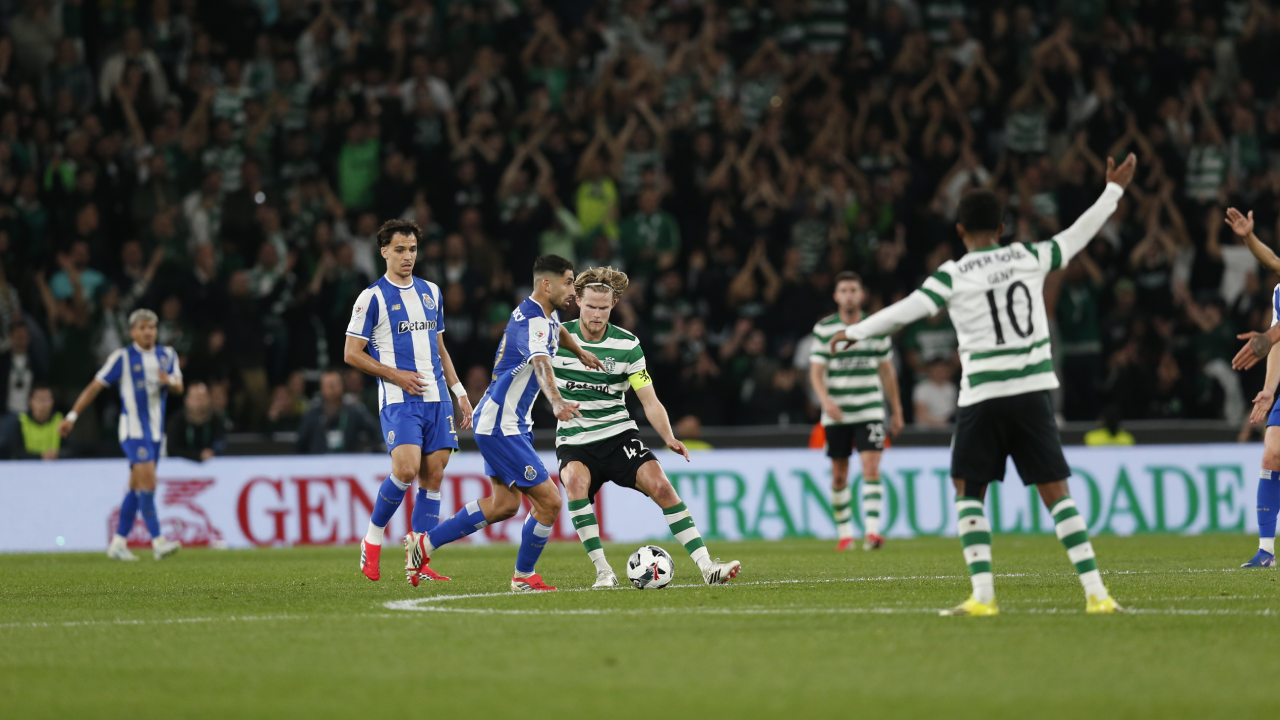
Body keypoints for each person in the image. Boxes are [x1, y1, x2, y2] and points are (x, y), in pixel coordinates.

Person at [830, 153, 1138, 617]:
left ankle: (983, 597)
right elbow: (1075, 238)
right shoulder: (1029, 255)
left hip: (982, 395)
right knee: (1056, 493)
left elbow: (907, 310)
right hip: (1033, 390)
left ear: (959, 231)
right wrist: (1113, 190)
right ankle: (1097, 593)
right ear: (1003, 226)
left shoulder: (953, 274)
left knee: (968, 491)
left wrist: (854, 332)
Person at [405, 255, 604, 592]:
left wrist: (580, 351)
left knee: (504, 505)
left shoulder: (540, 314)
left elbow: (557, 334)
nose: (574, 290)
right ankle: (523, 576)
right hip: (501, 425)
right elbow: (541, 361)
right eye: (569, 282)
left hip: (506, 422)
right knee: (551, 502)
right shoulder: (534, 324)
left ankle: (422, 545)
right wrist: (556, 401)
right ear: (547, 284)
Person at [557, 267, 741, 587]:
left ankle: (708, 566)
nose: (597, 314)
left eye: (603, 307)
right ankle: (603, 572)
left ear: (613, 305)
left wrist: (668, 435)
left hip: (617, 435)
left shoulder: (628, 344)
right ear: (578, 302)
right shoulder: (556, 337)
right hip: (575, 438)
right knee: (574, 481)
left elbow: (648, 399)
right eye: (590, 306)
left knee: (662, 487)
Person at [345, 219, 474, 585]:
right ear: (383, 251)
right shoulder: (371, 297)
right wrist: (395, 374)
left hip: (437, 399)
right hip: (400, 399)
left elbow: (439, 348)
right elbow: (351, 353)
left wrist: (460, 392)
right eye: (399, 249)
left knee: (433, 474)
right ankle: (371, 540)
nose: (407, 257)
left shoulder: (431, 291)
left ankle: (418, 560)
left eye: (413, 249)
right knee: (405, 468)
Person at [59, 308, 184, 562]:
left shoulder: (167, 355)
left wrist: (168, 381)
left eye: (152, 327)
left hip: (156, 433)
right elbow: (95, 386)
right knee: (148, 481)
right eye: (143, 328)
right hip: (133, 431)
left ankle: (118, 542)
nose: (148, 331)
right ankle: (158, 542)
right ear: (132, 332)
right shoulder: (123, 358)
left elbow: (180, 386)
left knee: (137, 487)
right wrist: (72, 416)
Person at [808, 271, 904, 551]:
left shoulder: (876, 326)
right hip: (837, 412)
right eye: (844, 290)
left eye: (854, 290)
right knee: (839, 473)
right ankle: (845, 534)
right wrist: (825, 401)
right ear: (836, 296)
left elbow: (887, 371)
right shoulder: (824, 329)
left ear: (861, 295)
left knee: (871, 467)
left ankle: (872, 533)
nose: (849, 295)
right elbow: (816, 371)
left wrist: (896, 410)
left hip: (870, 409)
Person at [1220, 207, 1280, 568]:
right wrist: (1270, 389)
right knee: (1271, 455)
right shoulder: (1279, 291)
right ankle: (1266, 550)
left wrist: (1268, 337)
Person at [294, 370, 381, 454]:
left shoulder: (353, 412)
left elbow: (376, 431)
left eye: (335, 384)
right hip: (317, 463)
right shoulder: (312, 415)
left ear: (343, 386)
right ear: (321, 388)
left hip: (348, 462)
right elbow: (299, 445)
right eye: (328, 385)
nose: (332, 389)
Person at [165, 381, 227, 461]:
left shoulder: (217, 421)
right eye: (194, 397)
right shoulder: (176, 422)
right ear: (186, 400)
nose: (198, 401)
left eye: (201, 397)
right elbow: (172, 450)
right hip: (181, 468)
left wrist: (213, 452)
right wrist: (198, 455)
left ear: (208, 399)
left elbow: (222, 444)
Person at [3, 384, 62, 459]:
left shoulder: (61, 421)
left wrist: (56, 454)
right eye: (40, 400)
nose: (43, 404)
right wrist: (41, 456)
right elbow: (16, 452)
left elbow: (71, 449)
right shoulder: (20, 422)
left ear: (52, 401)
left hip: (56, 467)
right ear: (31, 401)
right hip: (27, 468)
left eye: (47, 399)